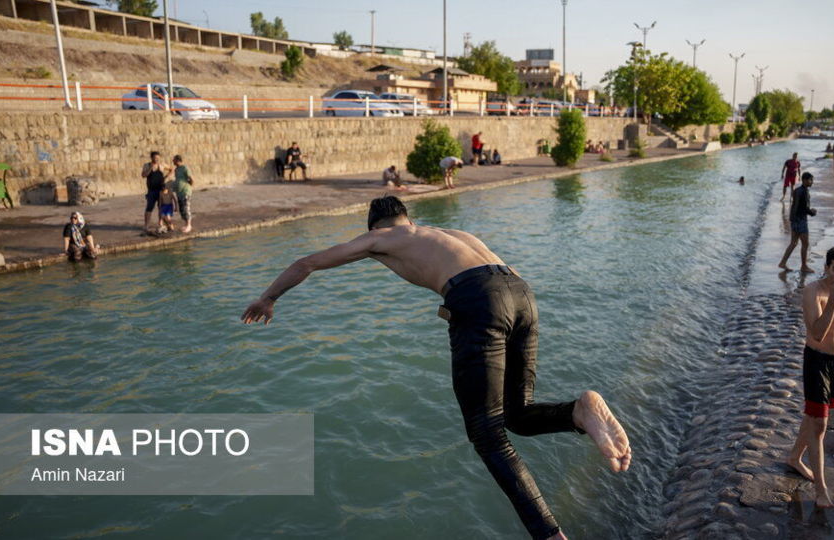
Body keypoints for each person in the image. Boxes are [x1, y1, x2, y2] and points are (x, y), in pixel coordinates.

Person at [241, 196, 633, 540]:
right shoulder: (450, 234)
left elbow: (307, 262)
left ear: (376, 225)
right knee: (517, 414)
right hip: (522, 294)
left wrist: (268, 297)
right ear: (408, 217)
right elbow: (488, 280)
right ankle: (578, 412)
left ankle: (548, 534)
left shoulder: (380, 238)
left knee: (487, 432)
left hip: (477, 298)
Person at [785, 245, 834, 509]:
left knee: (813, 416)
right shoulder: (813, 291)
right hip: (817, 360)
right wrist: (832, 300)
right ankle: (821, 490)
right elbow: (817, 332)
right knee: (819, 425)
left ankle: (795, 457)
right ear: (827, 267)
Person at [779, 172, 818, 272]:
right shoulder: (804, 192)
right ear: (804, 180)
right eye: (811, 180)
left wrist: (792, 219)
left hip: (794, 219)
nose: (812, 182)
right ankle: (804, 266)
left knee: (793, 243)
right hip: (801, 220)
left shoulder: (797, 190)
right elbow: (804, 208)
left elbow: (795, 206)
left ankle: (783, 262)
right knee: (805, 244)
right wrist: (812, 212)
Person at [141, 151, 171, 234]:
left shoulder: (162, 165)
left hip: (161, 190)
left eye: (158, 158)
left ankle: (160, 223)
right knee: (149, 208)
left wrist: (166, 177)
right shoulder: (147, 165)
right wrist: (151, 168)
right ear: (151, 158)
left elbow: (171, 169)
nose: (157, 159)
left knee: (161, 207)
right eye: (155, 158)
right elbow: (143, 175)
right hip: (151, 191)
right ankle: (146, 225)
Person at [169, 155, 194, 233]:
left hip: (185, 191)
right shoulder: (176, 170)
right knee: (182, 209)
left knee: (186, 208)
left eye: (174, 160)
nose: (173, 161)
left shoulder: (185, 168)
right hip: (179, 192)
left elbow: (191, 179)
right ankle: (186, 224)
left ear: (178, 160)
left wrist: (189, 187)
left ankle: (189, 225)